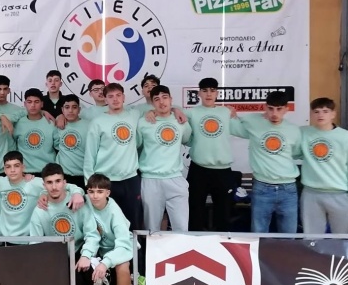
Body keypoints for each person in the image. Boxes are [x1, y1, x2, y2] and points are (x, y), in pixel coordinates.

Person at [29, 163, 101, 285]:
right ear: (44, 185)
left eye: (58, 181)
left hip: (79, 251)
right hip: (55, 255)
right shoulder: (40, 210)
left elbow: (92, 234)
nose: (54, 187)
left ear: (64, 182)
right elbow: (35, 243)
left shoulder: (77, 203)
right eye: (49, 182)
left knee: (80, 272)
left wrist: (86, 255)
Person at [0, 151, 85, 244]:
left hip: (28, 239)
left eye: (16, 166)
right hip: (6, 240)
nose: (12, 170)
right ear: (4, 169)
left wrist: (77, 193)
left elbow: (63, 185)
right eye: (8, 167)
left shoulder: (33, 182)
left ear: (23, 167)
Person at [231, 90, 302, 233]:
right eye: (271, 108)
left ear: (286, 109)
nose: (274, 113)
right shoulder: (252, 121)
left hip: (288, 189)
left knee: (289, 236)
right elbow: (232, 124)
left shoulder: (294, 130)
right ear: (265, 107)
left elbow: (296, 153)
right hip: (262, 187)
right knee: (258, 235)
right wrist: (231, 115)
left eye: (279, 109)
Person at [177, 78, 241, 232]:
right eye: (205, 90)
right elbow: (172, 113)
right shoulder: (192, 112)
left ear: (217, 93)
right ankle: (194, 244)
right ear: (199, 93)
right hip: (199, 169)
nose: (208, 94)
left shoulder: (226, 112)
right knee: (195, 212)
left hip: (223, 170)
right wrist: (175, 110)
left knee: (224, 214)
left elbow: (242, 130)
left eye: (212, 90)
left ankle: (222, 245)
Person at [298, 97, 348, 233]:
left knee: (344, 240)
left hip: (342, 194)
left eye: (325, 111)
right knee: (312, 240)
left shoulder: (347, 137)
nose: (320, 115)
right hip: (312, 194)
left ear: (333, 114)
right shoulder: (302, 133)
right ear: (311, 114)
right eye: (316, 112)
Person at [83, 83, 142, 231]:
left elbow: (157, 109)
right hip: (106, 180)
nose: (115, 99)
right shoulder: (97, 122)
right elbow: (90, 154)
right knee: (106, 224)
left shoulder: (134, 115)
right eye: (110, 96)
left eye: (118, 95)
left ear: (124, 97)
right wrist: (90, 184)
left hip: (130, 179)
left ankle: (134, 247)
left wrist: (174, 110)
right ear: (105, 99)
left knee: (133, 221)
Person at [85, 173, 134, 285]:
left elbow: (124, 246)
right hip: (100, 251)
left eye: (100, 191)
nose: (95, 196)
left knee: (122, 266)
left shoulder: (114, 213)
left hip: (119, 250)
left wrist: (105, 262)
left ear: (108, 193)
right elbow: (68, 189)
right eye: (91, 191)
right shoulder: (86, 202)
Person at [137, 85, 192, 232]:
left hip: (175, 178)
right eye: (157, 99)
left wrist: (176, 110)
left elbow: (186, 139)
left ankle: (180, 248)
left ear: (171, 99)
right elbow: (136, 145)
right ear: (152, 103)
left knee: (181, 228)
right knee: (151, 229)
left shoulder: (181, 121)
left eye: (165, 97)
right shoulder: (143, 122)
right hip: (151, 179)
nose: (161, 102)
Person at [12, 88, 59, 176]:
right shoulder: (18, 123)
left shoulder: (51, 123)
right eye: (29, 102)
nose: (33, 105)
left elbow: (59, 147)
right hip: (24, 172)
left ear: (42, 104)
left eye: (36, 102)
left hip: (48, 171)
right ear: (25, 104)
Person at [55, 94, 90, 191]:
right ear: (62, 110)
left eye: (74, 107)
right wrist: (59, 117)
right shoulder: (58, 125)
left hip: (83, 175)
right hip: (63, 175)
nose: (70, 110)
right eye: (67, 107)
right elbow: (55, 145)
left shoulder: (89, 126)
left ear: (79, 109)